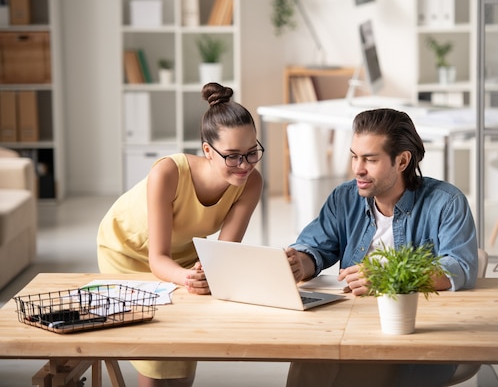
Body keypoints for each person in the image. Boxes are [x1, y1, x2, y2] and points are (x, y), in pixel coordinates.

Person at [285, 108, 478, 387]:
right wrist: (297, 263)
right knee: (308, 359)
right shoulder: (344, 197)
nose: (357, 169)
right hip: (351, 326)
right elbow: (314, 246)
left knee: (354, 369)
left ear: (402, 161)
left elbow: (459, 268)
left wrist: (386, 276)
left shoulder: (446, 202)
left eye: (370, 159)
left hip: (417, 336)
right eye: (354, 156)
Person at [97, 82, 263, 387]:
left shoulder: (251, 183)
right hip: (127, 249)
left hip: (183, 252)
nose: (245, 165)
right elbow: (157, 259)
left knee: (183, 341)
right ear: (207, 151)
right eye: (233, 156)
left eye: (252, 153)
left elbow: (222, 255)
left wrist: (205, 273)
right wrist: (188, 278)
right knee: (158, 345)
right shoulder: (168, 172)